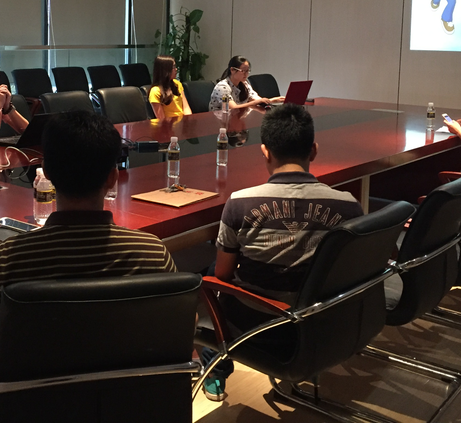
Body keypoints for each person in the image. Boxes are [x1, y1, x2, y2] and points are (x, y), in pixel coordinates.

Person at [0, 111, 176, 360]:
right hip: (125, 383)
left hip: (39, 384)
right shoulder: (152, 252)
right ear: (113, 179)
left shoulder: (9, 257)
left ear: (46, 172)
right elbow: (182, 325)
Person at [199, 103, 364, 400]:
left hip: (260, 326)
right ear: (313, 151)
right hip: (324, 323)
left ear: (265, 152)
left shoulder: (239, 203)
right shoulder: (349, 205)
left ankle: (216, 368)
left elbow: (223, 275)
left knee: (212, 273)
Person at [208, 56, 283, 112]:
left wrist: (273, 100)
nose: (246, 74)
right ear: (232, 70)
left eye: (248, 71)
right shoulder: (222, 87)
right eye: (243, 71)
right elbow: (232, 108)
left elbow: (256, 99)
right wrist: (255, 102)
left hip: (237, 118)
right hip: (219, 121)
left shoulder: (244, 84)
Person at [148, 55, 192, 120]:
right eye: (173, 67)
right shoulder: (155, 91)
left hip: (182, 122)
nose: (176, 69)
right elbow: (162, 119)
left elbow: (186, 107)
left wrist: (188, 121)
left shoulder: (177, 84)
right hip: (168, 124)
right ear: (165, 70)